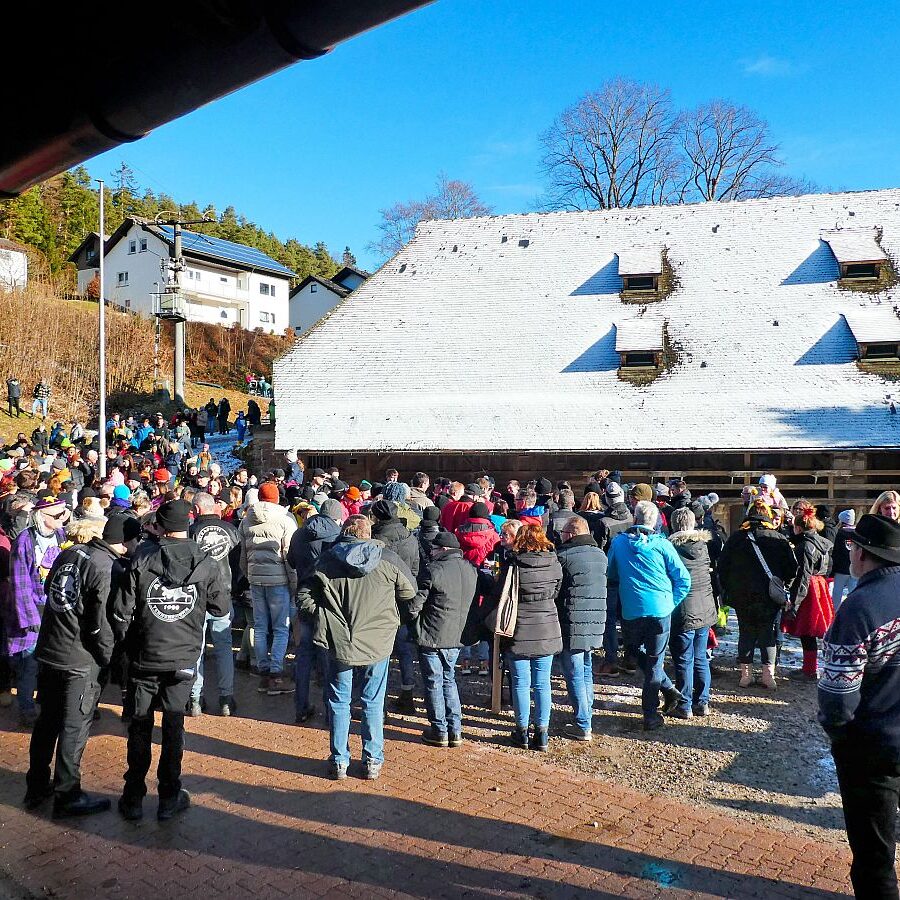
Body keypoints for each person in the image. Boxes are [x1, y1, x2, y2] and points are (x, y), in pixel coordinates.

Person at [112, 499, 229, 822]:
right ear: (187, 524)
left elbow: (121, 612)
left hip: (145, 653)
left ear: (161, 525)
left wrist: (126, 642)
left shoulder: (142, 557)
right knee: (173, 727)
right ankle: (168, 796)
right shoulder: (205, 561)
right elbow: (222, 610)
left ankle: (134, 797)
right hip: (184, 655)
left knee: (140, 725)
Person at [24, 514, 138, 817]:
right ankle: (67, 793)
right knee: (75, 726)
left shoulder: (70, 551)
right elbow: (99, 621)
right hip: (79, 657)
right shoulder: (104, 566)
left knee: (47, 720)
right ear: (125, 541)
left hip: (51, 648)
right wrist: (106, 657)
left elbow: (51, 589)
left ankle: (36, 784)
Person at [297, 515, 416, 780]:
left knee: (339, 701)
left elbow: (303, 595)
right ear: (367, 532)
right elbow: (410, 592)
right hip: (377, 640)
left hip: (341, 641)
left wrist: (322, 617)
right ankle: (372, 760)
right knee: (372, 701)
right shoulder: (388, 559)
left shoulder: (326, 561)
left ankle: (340, 760)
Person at [819, 514, 900, 898]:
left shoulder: (858, 608)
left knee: (874, 856)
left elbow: (837, 698)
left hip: (875, 750)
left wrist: (841, 735)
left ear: (862, 553)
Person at [606, 501, 691, 730]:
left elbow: (611, 572)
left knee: (637, 654)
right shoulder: (663, 545)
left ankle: (661, 699)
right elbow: (683, 580)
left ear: (635, 518)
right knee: (653, 660)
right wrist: (670, 604)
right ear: (655, 522)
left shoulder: (619, 543)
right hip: (660, 610)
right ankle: (653, 711)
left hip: (632, 610)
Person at [717, 499, 798, 690]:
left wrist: (730, 589)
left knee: (746, 632)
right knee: (767, 633)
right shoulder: (778, 539)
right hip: (769, 595)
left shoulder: (736, 538)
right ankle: (768, 676)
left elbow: (722, 566)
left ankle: (746, 675)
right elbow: (792, 568)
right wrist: (782, 585)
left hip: (742, 595)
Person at [408, 531, 477, 747]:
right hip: (457, 635)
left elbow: (415, 605)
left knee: (433, 682)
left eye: (434, 549)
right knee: (449, 679)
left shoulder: (433, 571)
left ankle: (439, 729)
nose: (431, 552)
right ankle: (455, 729)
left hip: (432, 634)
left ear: (443, 550)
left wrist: (409, 620)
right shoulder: (470, 569)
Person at [5, 493, 68, 725]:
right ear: (43, 517)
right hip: (33, 611)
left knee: (51, 662)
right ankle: (26, 708)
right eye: (58, 515)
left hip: (56, 609)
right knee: (29, 665)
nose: (63, 518)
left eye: (64, 513)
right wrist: (30, 618)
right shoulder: (24, 541)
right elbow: (19, 583)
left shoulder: (62, 536)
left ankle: (47, 701)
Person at [499, 524, 563, 752]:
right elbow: (557, 591)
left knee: (520, 683)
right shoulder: (554, 562)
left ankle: (522, 731)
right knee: (543, 683)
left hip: (520, 627)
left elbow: (502, 594)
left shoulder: (514, 565)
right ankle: (543, 733)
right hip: (547, 626)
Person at [238, 481, 297, 694]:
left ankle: (263, 673)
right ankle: (276, 674)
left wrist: (251, 575)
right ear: (277, 498)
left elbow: (243, 558)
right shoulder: (285, 521)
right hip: (279, 581)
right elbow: (289, 557)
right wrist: (294, 584)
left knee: (260, 627)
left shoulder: (245, 521)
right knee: (281, 628)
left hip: (256, 581)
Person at [287, 502, 342, 723]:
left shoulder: (299, 534)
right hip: (328, 602)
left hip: (304, 596)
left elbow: (291, 561)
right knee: (328, 656)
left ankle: (301, 707)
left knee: (303, 655)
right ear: (336, 517)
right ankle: (330, 712)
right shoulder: (337, 536)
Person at [188, 492, 240, 716]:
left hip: (196, 596)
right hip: (223, 595)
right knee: (224, 647)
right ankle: (226, 698)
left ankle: (195, 699)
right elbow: (238, 563)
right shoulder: (231, 530)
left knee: (196, 648)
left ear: (197, 510)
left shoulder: (190, 532)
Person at [555, 516, 607, 741]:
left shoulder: (564, 557)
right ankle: (587, 712)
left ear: (571, 534)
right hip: (595, 620)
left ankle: (583, 722)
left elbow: (557, 590)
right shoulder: (600, 555)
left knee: (574, 672)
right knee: (585, 668)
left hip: (572, 620)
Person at [667, 507, 718, 717]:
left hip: (683, 609)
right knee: (700, 657)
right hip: (705, 607)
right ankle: (702, 701)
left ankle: (684, 704)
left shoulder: (671, 549)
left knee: (683, 658)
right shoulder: (703, 546)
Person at [783, 500, 833, 682]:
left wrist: (795, 603)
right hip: (820, 585)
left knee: (807, 630)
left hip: (809, 588)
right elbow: (828, 568)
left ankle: (810, 670)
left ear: (798, 527)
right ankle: (810, 668)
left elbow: (803, 575)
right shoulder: (824, 543)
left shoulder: (805, 546)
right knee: (811, 631)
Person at [830, 510, 857, 610]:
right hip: (854, 567)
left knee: (837, 591)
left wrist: (833, 567)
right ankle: (853, 609)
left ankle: (835, 610)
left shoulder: (840, 533)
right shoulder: (857, 533)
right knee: (853, 590)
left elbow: (836, 551)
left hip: (841, 569)